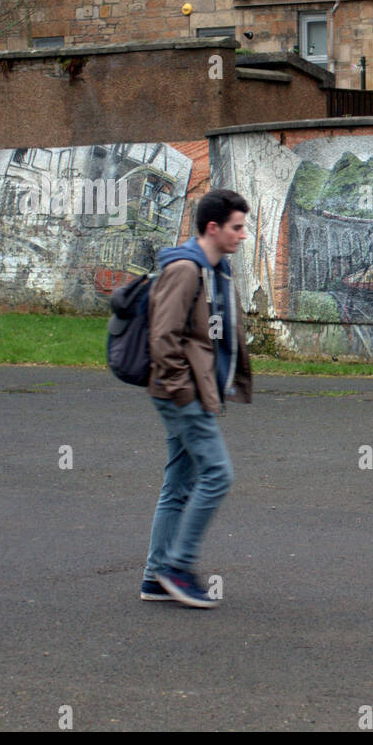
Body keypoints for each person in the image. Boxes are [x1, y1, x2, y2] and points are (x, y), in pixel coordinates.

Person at [140, 189, 253, 608]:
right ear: (213, 228)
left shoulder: (216, 270)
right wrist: (185, 391)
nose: (243, 235)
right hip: (182, 394)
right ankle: (177, 567)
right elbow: (163, 338)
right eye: (237, 227)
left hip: (200, 392)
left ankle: (155, 577)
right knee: (218, 474)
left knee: (179, 484)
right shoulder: (187, 270)